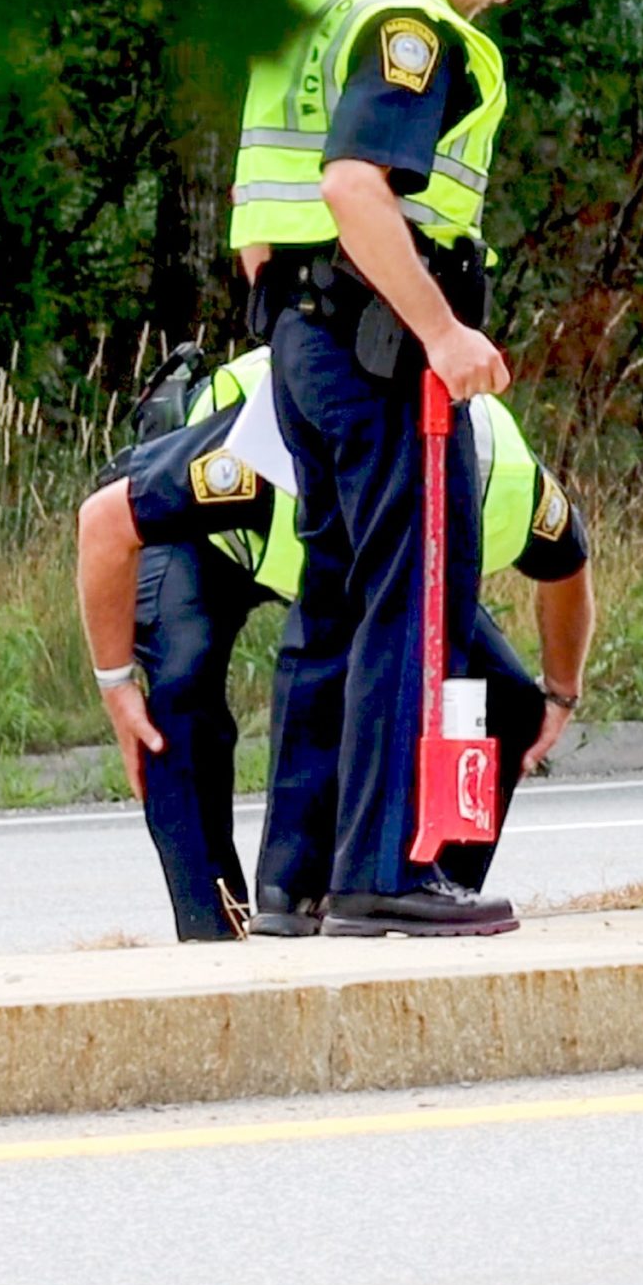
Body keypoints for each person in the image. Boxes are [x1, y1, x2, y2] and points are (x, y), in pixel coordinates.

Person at [230, 0, 550, 935]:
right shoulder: (407, 24)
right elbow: (354, 186)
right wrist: (444, 331)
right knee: (416, 599)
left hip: (303, 339)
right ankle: (387, 870)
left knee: (331, 603)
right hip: (382, 352)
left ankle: (296, 880)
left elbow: (263, 226)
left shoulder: (313, 1)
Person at [76, 346, 595, 941]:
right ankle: (214, 929)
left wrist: (558, 695)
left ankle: (420, 887)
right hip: (217, 540)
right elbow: (105, 525)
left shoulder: (512, 485)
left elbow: (568, 569)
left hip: (385, 552)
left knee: (508, 702)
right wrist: (114, 685)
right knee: (178, 697)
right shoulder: (255, 459)